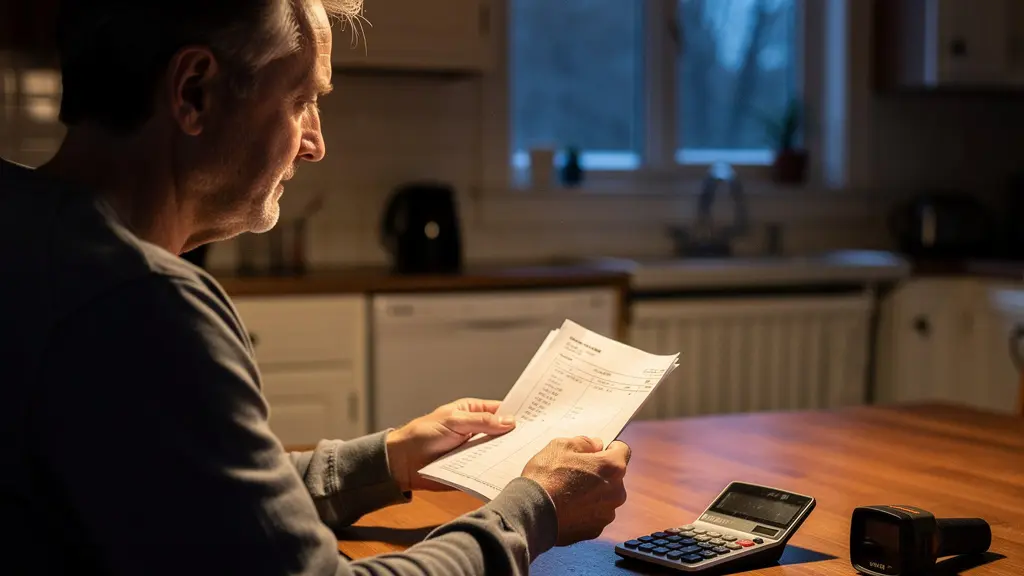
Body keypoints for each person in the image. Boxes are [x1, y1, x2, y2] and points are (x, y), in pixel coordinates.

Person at [0, 1, 633, 574]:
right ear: (194, 92)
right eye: (301, 99)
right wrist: (532, 509)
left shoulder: (27, 230)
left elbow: (194, 496)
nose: (316, 144)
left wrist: (387, 458)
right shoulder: (142, 304)